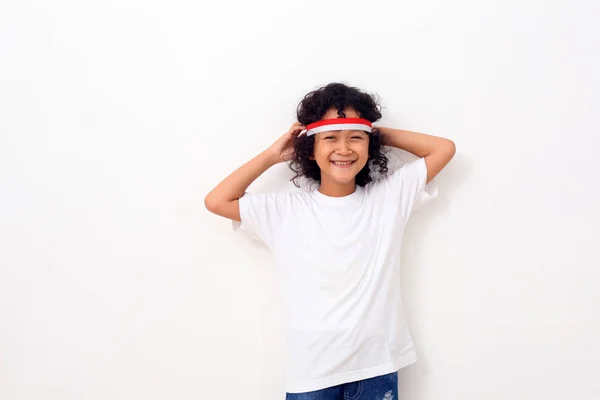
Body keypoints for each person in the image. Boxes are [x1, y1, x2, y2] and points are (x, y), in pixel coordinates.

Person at [205, 82, 456, 399]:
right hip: (313, 372)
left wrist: (376, 133)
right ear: (311, 148)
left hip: (376, 367)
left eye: (354, 137)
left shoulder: (389, 198)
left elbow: (444, 149)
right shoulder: (286, 211)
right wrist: (271, 156)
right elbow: (216, 201)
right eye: (330, 137)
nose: (344, 148)